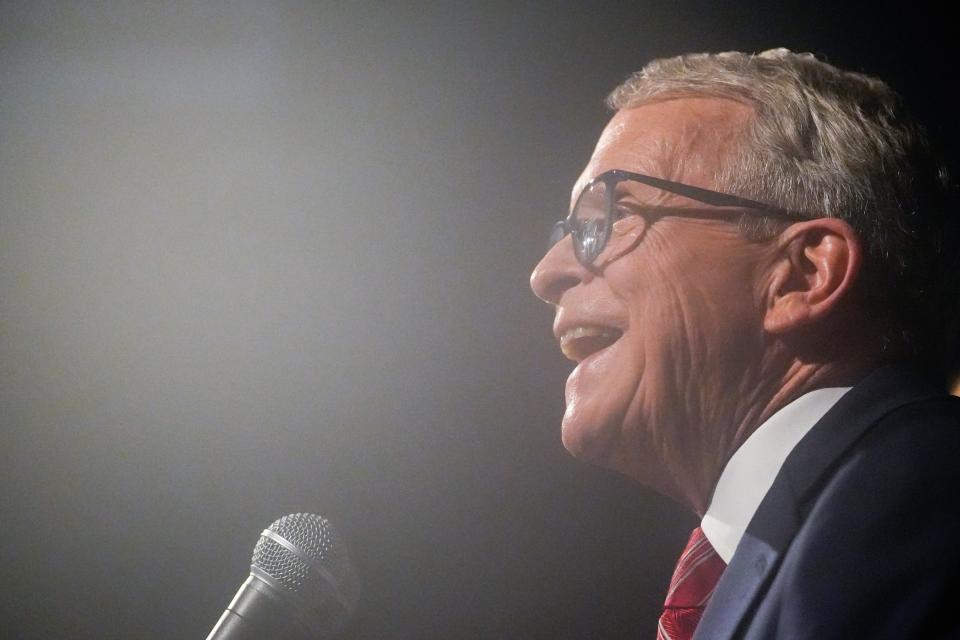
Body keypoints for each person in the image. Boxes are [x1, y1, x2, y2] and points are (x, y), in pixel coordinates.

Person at [529, 49, 960, 639]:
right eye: (573, 230)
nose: (547, 273)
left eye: (615, 214)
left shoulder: (921, 505)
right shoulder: (833, 526)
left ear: (802, 275)